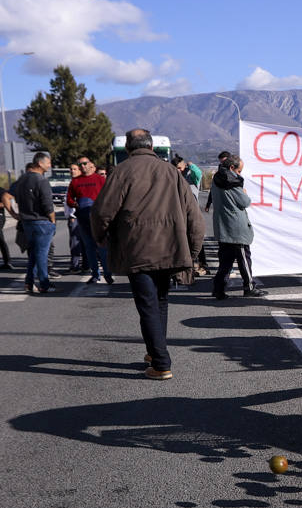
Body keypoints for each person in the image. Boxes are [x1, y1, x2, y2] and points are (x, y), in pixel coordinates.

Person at [91, 129, 205, 380]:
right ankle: (155, 353)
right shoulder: (171, 172)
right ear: (151, 146)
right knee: (160, 302)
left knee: (147, 305)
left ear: (129, 148)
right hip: (170, 248)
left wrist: (100, 238)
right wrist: (193, 251)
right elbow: (194, 215)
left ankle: (161, 362)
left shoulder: (121, 171)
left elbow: (102, 212)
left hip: (136, 249)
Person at [210, 155, 266, 299]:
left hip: (223, 226)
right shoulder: (231, 181)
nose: (240, 174)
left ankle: (219, 289)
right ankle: (249, 287)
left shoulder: (216, 179)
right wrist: (245, 193)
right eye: (239, 171)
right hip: (236, 227)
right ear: (231, 168)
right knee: (244, 259)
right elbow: (244, 202)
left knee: (225, 261)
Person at [12, 152, 56, 294]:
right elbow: (47, 204)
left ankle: (29, 282)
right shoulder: (41, 181)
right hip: (41, 222)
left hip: (27, 222)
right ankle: (44, 284)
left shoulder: (21, 180)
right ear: (40, 163)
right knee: (42, 255)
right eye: (48, 162)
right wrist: (53, 220)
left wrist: (15, 214)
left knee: (34, 254)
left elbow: (8, 196)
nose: (50, 165)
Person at [67, 155, 114, 284]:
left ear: (91, 164)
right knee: (89, 248)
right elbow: (69, 199)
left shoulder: (100, 179)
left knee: (103, 248)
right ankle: (95, 274)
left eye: (85, 163)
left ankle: (108, 274)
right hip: (83, 220)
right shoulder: (75, 182)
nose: (83, 166)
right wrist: (76, 204)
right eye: (80, 164)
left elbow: (109, 197)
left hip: (98, 220)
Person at [65, 162, 83, 272]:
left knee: (78, 242)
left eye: (75, 169)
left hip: (78, 217)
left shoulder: (80, 183)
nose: (72, 171)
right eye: (71, 169)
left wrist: (72, 214)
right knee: (74, 242)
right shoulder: (72, 183)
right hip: (73, 217)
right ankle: (75, 264)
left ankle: (79, 265)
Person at [0, 185, 16, 270]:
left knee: (0, 239)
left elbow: (7, 199)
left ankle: (7, 262)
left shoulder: (1, 190)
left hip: (0, 217)